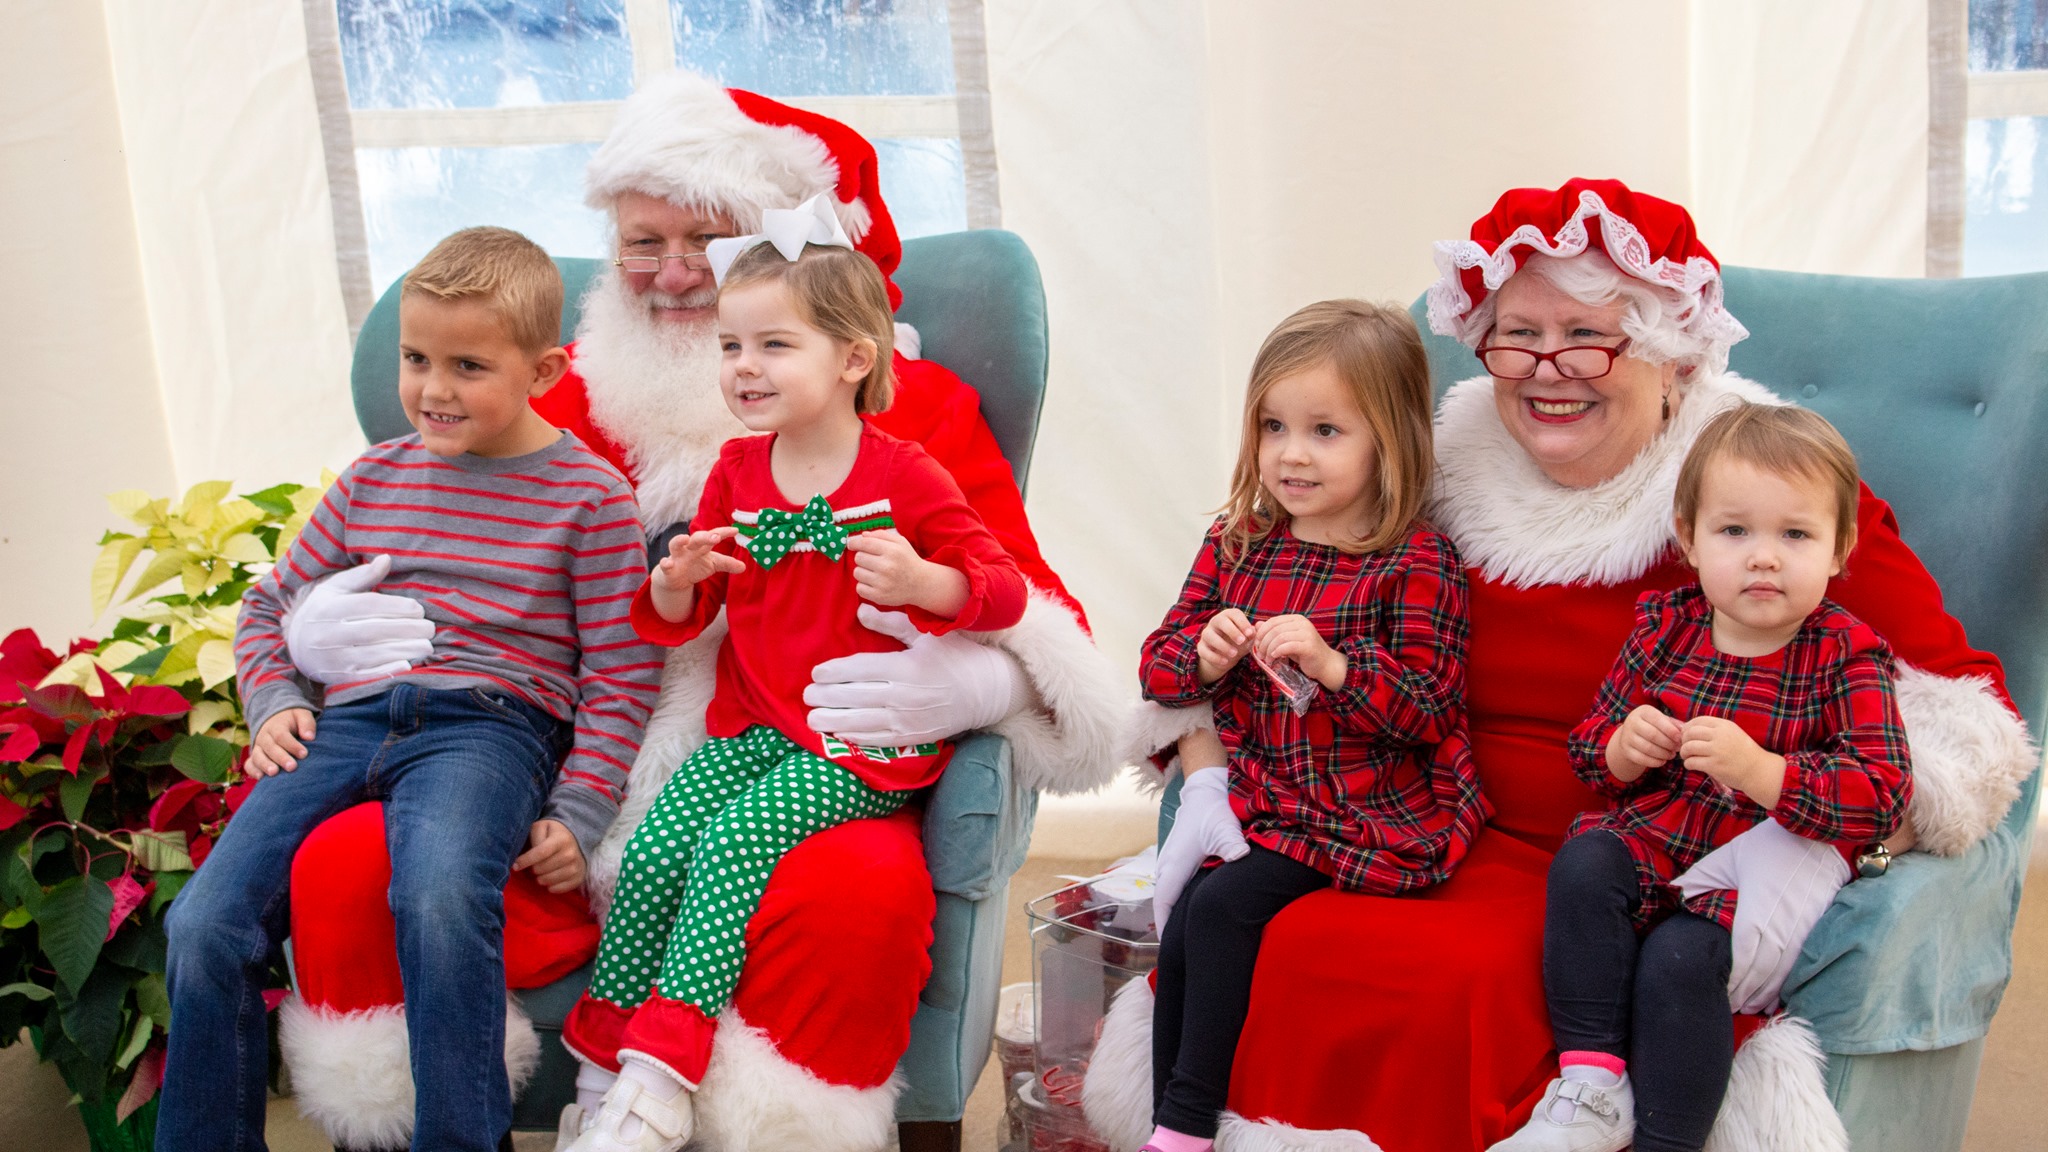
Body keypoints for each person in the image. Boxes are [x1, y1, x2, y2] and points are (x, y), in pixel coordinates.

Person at [1091, 179, 2035, 1151]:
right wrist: (1207, 759)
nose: (1547, 370)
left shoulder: (1755, 493)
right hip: (1423, 826)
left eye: (1584, 336)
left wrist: (1797, 825)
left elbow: (1961, 717)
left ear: (1670, 360)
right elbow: (1292, 605)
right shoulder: (1441, 468)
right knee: (1271, 939)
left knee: (1444, 985)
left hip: (1631, 855)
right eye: (1516, 336)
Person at [275, 71, 1123, 1152]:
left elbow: (1033, 602)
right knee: (349, 859)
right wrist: (315, 632)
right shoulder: (544, 398)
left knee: (853, 895)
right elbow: (413, 532)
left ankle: (749, 1116)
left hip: (814, 754)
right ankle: (499, 1108)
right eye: (641, 243)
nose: (673, 277)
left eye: (706, 241)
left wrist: (984, 674)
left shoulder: (908, 415)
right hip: (547, 746)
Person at [160, 228, 663, 1152]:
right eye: (416, 359)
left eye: (468, 365)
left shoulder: (589, 499)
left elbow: (624, 670)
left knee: (435, 898)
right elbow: (270, 606)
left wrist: (580, 808)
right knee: (202, 922)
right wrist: (278, 699)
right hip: (348, 723)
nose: (433, 389)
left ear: (545, 369)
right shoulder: (371, 479)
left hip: (489, 730)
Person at [561, 206, 1028, 1152]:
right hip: (757, 727)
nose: (743, 366)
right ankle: (602, 1068)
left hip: (862, 741)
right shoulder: (737, 469)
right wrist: (676, 580)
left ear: (854, 359)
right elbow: (682, 615)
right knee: (653, 849)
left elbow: (1002, 587)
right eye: (732, 345)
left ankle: (664, 1075)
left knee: (732, 848)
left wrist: (925, 582)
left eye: (775, 344)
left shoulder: (907, 473)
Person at [1496, 404, 1912, 1152]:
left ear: (1839, 549)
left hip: (1754, 868)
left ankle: (1669, 1141)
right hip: (1658, 836)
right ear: (1687, 540)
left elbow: (1881, 793)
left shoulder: (1844, 653)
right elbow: (1590, 750)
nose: (1763, 558)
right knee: (1585, 863)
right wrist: (1625, 747)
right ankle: (1590, 1083)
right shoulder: (1667, 626)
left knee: (1677, 962)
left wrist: (1765, 772)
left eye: (1795, 535)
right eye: (1734, 531)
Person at [1138, 300, 1489, 1152]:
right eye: (1273, 425)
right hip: (1261, 796)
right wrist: (1207, 651)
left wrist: (1335, 667)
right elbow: (1157, 665)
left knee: (1220, 914)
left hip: (1361, 807)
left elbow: (1429, 707)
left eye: (1326, 430)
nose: (1291, 453)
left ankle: (1184, 1126)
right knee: (1184, 913)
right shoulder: (1240, 542)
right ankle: (1164, 1119)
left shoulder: (1413, 561)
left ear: (1389, 440)